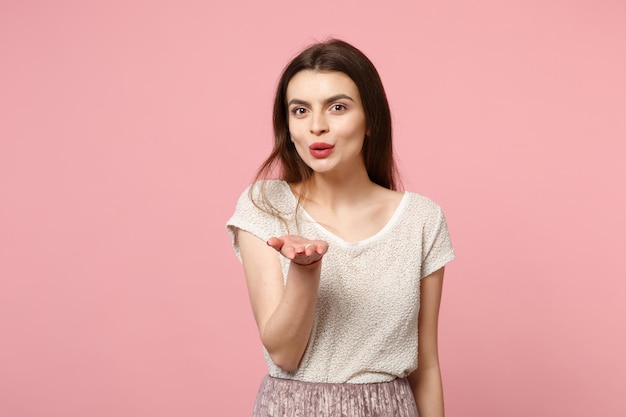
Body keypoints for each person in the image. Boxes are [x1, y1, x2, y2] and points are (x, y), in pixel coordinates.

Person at [226, 38, 455, 417]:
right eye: (300, 110)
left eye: (337, 107)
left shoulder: (421, 219)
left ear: (370, 121)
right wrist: (305, 269)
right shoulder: (264, 205)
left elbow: (426, 365)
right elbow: (284, 354)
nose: (317, 126)